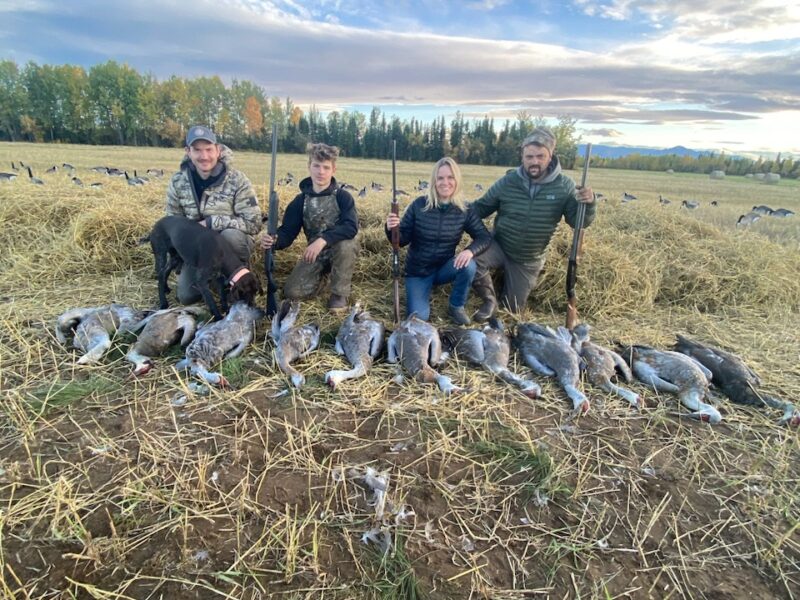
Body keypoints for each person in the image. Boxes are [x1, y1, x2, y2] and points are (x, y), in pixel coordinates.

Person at [470, 127, 595, 320]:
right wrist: (448, 208)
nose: (534, 161)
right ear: (522, 155)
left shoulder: (564, 186)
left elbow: (578, 222)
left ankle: (507, 284)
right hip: (500, 245)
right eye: (529, 156)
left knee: (511, 312)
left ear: (550, 155)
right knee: (471, 261)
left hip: (528, 258)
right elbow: (480, 208)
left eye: (540, 156)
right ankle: (489, 300)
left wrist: (589, 203)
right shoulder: (509, 181)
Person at [385, 157, 491, 325]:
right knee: (419, 319)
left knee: (469, 265)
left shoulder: (465, 209)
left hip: (444, 269)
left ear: (457, 180)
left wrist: (469, 251)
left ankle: (456, 306)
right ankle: (420, 293)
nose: (445, 182)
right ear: (434, 181)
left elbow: (484, 237)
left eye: (450, 177)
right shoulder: (419, 205)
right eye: (440, 178)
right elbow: (401, 240)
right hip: (418, 272)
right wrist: (391, 229)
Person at [166, 125, 262, 304]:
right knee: (187, 297)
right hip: (199, 249)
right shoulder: (178, 182)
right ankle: (212, 279)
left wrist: (212, 222)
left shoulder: (237, 180)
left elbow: (254, 223)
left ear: (218, 150)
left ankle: (237, 279)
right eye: (197, 150)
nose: (204, 156)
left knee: (230, 236)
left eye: (209, 149)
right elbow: (172, 224)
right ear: (188, 152)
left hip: (229, 244)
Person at [260, 143, 358, 311]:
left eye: (326, 167)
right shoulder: (300, 201)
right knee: (293, 292)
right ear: (309, 167)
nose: (321, 172)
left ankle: (339, 294)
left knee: (346, 244)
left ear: (334, 169)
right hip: (316, 254)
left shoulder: (343, 197)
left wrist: (323, 240)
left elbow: (351, 227)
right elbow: (288, 233)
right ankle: (323, 279)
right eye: (316, 166)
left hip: (339, 249)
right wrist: (274, 239)